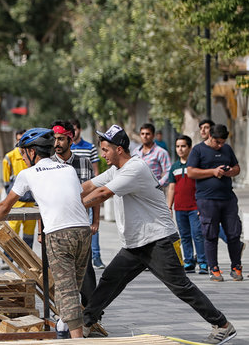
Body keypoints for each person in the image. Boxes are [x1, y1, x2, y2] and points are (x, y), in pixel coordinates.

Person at [80, 125, 236, 344]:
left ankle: (223, 324)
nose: (103, 154)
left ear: (119, 149)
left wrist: (75, 207)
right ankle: (86, 323)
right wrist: (65, 198)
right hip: (134, 244)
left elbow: (103, 193)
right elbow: (90, 185)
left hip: (158, 241)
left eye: (106, 149)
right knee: (109, 281)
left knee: (181, 287)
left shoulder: (135, 168)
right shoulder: (116, 170)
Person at [0, 128, 91, 339]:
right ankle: (63, 325)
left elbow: (5, 207)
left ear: (33, 152)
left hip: (58, 234)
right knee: (74, 284)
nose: (22, 158)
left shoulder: (27, 174)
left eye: (23, 153)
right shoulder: (67, 168)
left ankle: (78, 339)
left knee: (67, 289)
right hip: (83, 230)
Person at [49, 120, 99, 339]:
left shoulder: (84, 162)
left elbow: (95, 193)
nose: (57, 143)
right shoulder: (47, 165)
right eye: (54, 139)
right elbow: (45, 200)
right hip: (57, 228)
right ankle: (65, 321)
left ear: (71, 138)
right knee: (62, 278)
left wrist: (95, 221)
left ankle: (89, 317)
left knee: (85, 276)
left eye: (61, 138)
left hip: (80, 228)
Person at [187, 124, 243, 282]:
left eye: (222, 142)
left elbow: (237, 167)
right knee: (210, 234)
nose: (220, 145)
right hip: (207, 199)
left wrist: (231, 172)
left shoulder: (227, 149)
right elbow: (191, 172)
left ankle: (236, 267)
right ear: (209, 136)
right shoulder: (198, 150)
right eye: (217, 142)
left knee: (234, 233)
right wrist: (213, 172)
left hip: (228, 198)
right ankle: (214, 269)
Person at [167, 135, 207, 275]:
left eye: (183, 146)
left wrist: (202, 206)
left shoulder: (196, 166)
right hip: (180, 208)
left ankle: (202, 262)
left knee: (198, 234)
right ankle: (188, 261)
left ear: (190, 148)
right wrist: (169, 206)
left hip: (195, 207)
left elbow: (202, 187)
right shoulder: (174, 167)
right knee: (184, 235)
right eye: (178, 146)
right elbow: (171, 187)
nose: (180, 149)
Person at [70, 119, 105, 269]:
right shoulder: (66, 147)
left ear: (80, 130)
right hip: (71, 195)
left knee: (92, 225)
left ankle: (96, 256)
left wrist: (94, 190)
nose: (73, 133)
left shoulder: (89, 147)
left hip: (88, 193)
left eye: (75, 130)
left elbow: (95, 171)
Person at [1, 129, 37, 269]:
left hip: (31, 202)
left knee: (28, 234)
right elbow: (6, 181)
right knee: (12, 231)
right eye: (19, 140)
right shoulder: (9, 157)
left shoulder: (34, 155)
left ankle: (26, 259)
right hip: (16, 202)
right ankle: (7, 258)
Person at [131, 123, 171, 187]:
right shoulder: (135, 151)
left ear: (153, 136)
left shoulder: (161, 152)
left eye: (148, 134)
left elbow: (169, 172)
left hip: (153, 192)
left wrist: (158, 184)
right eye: (142, 134)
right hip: (137, 190)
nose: (145, 136)